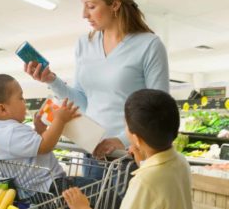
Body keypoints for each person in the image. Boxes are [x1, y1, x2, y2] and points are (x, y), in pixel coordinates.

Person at [24, 0, 169, 178]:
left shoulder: (149, 45)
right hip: (91, 153)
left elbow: (160, 109)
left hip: (129, 156)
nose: (84, 14)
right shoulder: (85, 45)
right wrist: (52, 80)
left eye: (91, 6)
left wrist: (121, 140)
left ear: (115, 4)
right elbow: (83, 101)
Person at [62, 89, 192, 209]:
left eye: (126, 125)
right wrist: (143, 163)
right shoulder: (181, 161)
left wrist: (83, 207)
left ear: (136, 139)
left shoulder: (143, 182)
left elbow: (151, 182)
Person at [0, 74, 94, 199]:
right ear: (2, 109)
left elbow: (32, 150)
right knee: (101, 190)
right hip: (49, 188)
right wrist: (60, 119)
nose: (24, 102)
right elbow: (44, 146)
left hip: (37, 192)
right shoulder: (10, 132)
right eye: (21, 98)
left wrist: (39, 129)